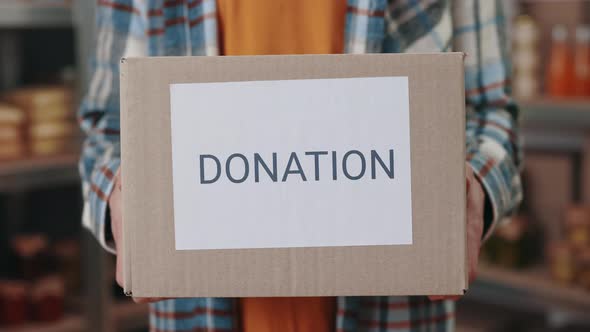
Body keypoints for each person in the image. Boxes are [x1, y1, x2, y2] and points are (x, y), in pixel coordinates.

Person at [79, 0, 522, 331]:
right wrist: (121, 197)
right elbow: (110, 125)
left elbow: (491, 109)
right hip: (198, 316)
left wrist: (473, 190)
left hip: (394, 315)